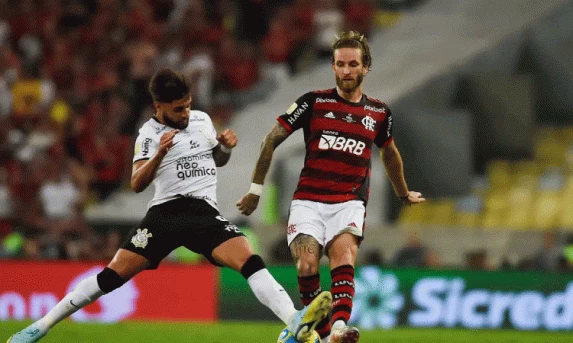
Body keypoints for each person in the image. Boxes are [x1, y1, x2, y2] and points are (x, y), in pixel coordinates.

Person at [8, 68, 332, 343]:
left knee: (250, 259)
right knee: (110, 278)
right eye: (177, 109)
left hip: (204, 213)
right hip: (165, 215)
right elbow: (136, 184)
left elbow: (216, 160)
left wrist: (225, 147)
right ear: (158, 106)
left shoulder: (203, 121)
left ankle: (294, 322)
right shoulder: (148, 135)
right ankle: (40, 327)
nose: (185, 114)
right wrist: (160, 155)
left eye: (188, 106)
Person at [237, 31, 425, 343]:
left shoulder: (378, 113)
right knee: (307, 263)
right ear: (333, 66)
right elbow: (271, 139)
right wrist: (256, 190)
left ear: (365, 68)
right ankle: (324, 337)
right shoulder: (313, 102)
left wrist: (402, 192)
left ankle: (338, 328)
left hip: (349, 201)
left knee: (344, 255)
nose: (347, 70)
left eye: (353, 64)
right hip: (308, 201)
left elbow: (389, 153)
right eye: (341, 64)